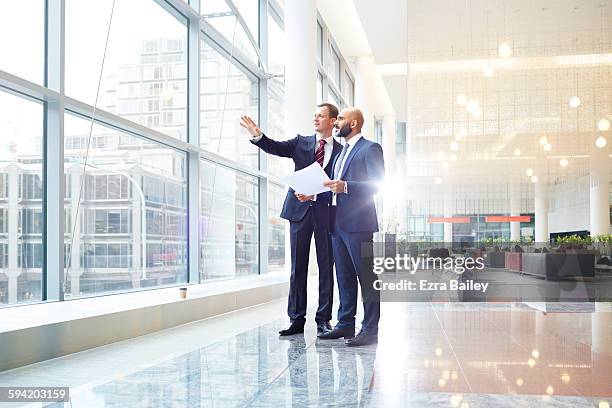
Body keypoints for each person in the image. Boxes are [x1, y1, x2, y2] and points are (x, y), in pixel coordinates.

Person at [239, 103, 343, 336]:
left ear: (333, 120)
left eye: (321, 116)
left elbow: (339, 183)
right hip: (299, 210)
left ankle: (323, 320)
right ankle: (296, 319)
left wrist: (316, 193)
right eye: (314, 115)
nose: (316, 119)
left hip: (325, 212)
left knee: (327, 267)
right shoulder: (301, 142)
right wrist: (258, 135)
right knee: (298, 267)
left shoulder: (341, 151)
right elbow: (275, 147)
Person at [318, 107, 384, 347]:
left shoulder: (370, 148)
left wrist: (346, 186)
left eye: (341, 119)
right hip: (336, 221)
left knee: (366, 277)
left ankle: (370, 329)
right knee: (344, 276)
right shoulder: (340, 153)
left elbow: (377, 184)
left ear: (353, 124)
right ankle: (345, 323)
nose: (337, 123)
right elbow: (332, 184)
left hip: (359, 223)